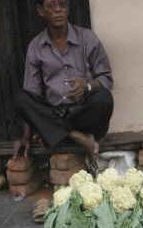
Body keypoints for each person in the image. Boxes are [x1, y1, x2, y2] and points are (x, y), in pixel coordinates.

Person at [13, 0, 114, 172]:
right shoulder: (36, 47)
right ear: (41, 11)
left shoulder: (87, 38)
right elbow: (32, 94)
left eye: (63, 4)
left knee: (104, 98)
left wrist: (87, 85)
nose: (58, 10)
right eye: (51, 6)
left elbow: (106, 79)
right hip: (54, 111)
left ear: (68, 8)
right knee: (21, 99)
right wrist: (25, 136)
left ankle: (59, 132)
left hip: (83, 115)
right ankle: (76, 136)